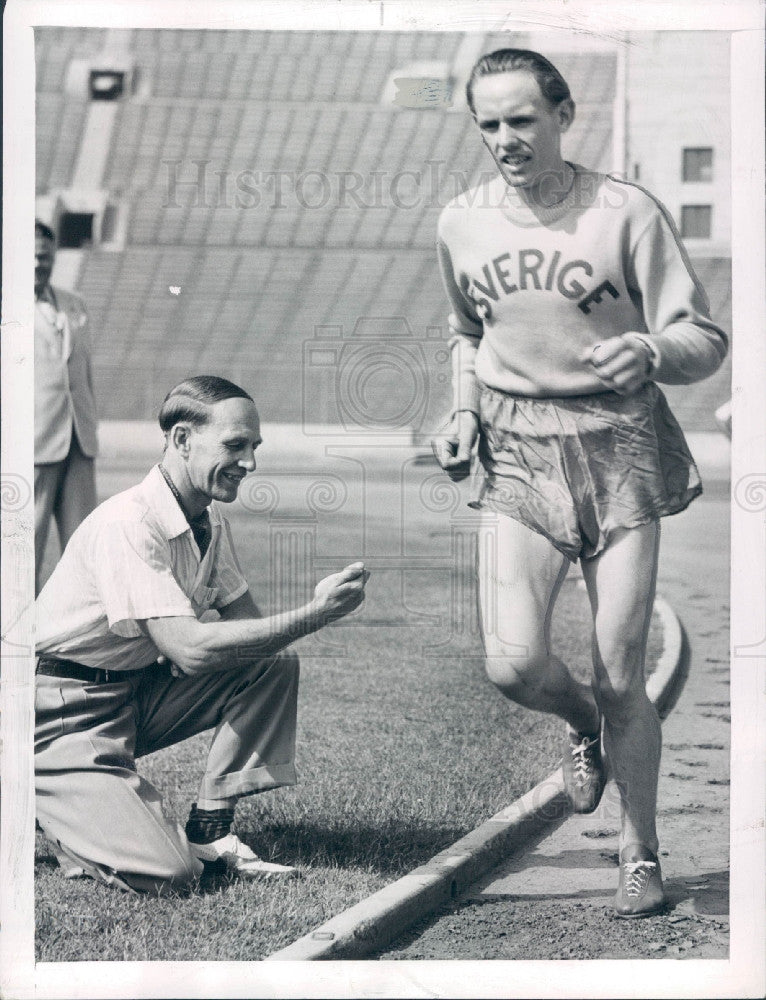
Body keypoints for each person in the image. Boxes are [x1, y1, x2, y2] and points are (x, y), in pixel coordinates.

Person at [432, 49, 728, 917]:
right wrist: (461, 413)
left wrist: (652, 347)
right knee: (514, 663)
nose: (505, 140)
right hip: (518, 445)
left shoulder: (625, 212)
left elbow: (703, 335)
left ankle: (639, 852)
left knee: (620, 673)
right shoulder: (462, 221)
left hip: (621, 445)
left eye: (522, 120)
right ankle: (579, 727)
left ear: (563, 115)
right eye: (488, 125)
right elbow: (463, 332)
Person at [35, 375, 369, 893]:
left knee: (270, 665)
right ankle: (45, 804)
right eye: (235, 445)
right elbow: (188, 649)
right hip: (53, 714)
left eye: (253, 447)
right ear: (183, 440)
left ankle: (210, 829)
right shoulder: (131, 522)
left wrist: (290, 624)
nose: (250, 463)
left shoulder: (207, 522)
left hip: (125, 698)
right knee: (171, 873)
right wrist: (315, 614)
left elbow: (252, 638)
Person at [34, 219, 99, 595]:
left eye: (45, 257)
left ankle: (78, 641)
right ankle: (14, 640)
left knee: (85, 549)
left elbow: (83, 373)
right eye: (30, 257)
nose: (38, 265)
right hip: (32, 444)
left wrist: (90, 424)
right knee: (25, 549)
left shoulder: (75, 304)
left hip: (78, 439)